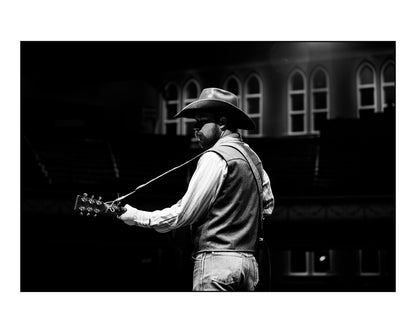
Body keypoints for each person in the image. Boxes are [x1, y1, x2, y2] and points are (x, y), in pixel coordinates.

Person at [118, 87, 274, 291]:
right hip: (250, 267)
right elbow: (268, 207)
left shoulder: (215, 157)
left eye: (201, 122)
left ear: (222, 122)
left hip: (217, 264)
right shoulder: (253, 157)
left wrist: (138, 217)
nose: (195, 129)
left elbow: (184, 214)